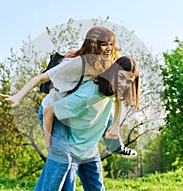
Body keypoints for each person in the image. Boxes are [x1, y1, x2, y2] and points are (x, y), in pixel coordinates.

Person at [0, 26, 136, 190]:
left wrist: (115, 126)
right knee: (62, 159)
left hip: (73, 116)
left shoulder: (109, 65)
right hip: (54, 113)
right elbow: (42, 79)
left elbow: (117, 95)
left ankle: (117, 146)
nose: (108, 48)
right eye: (103, 44)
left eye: (111, 44)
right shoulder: (78, 63)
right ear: (94, 45)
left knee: (104, 118)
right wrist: (18, 96)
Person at [43, 56, 141, 190]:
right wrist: (48, 142)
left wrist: (116, 126)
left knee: (96, 187)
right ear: (113, 72)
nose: (124, 84)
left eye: (129, 81)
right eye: (121, 77)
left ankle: (118, 147)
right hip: (67, 137)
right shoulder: (86, 96)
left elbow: (118, 100)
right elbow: (48, 111)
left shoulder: (112, 87)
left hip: (87, 144)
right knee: (61, 180)